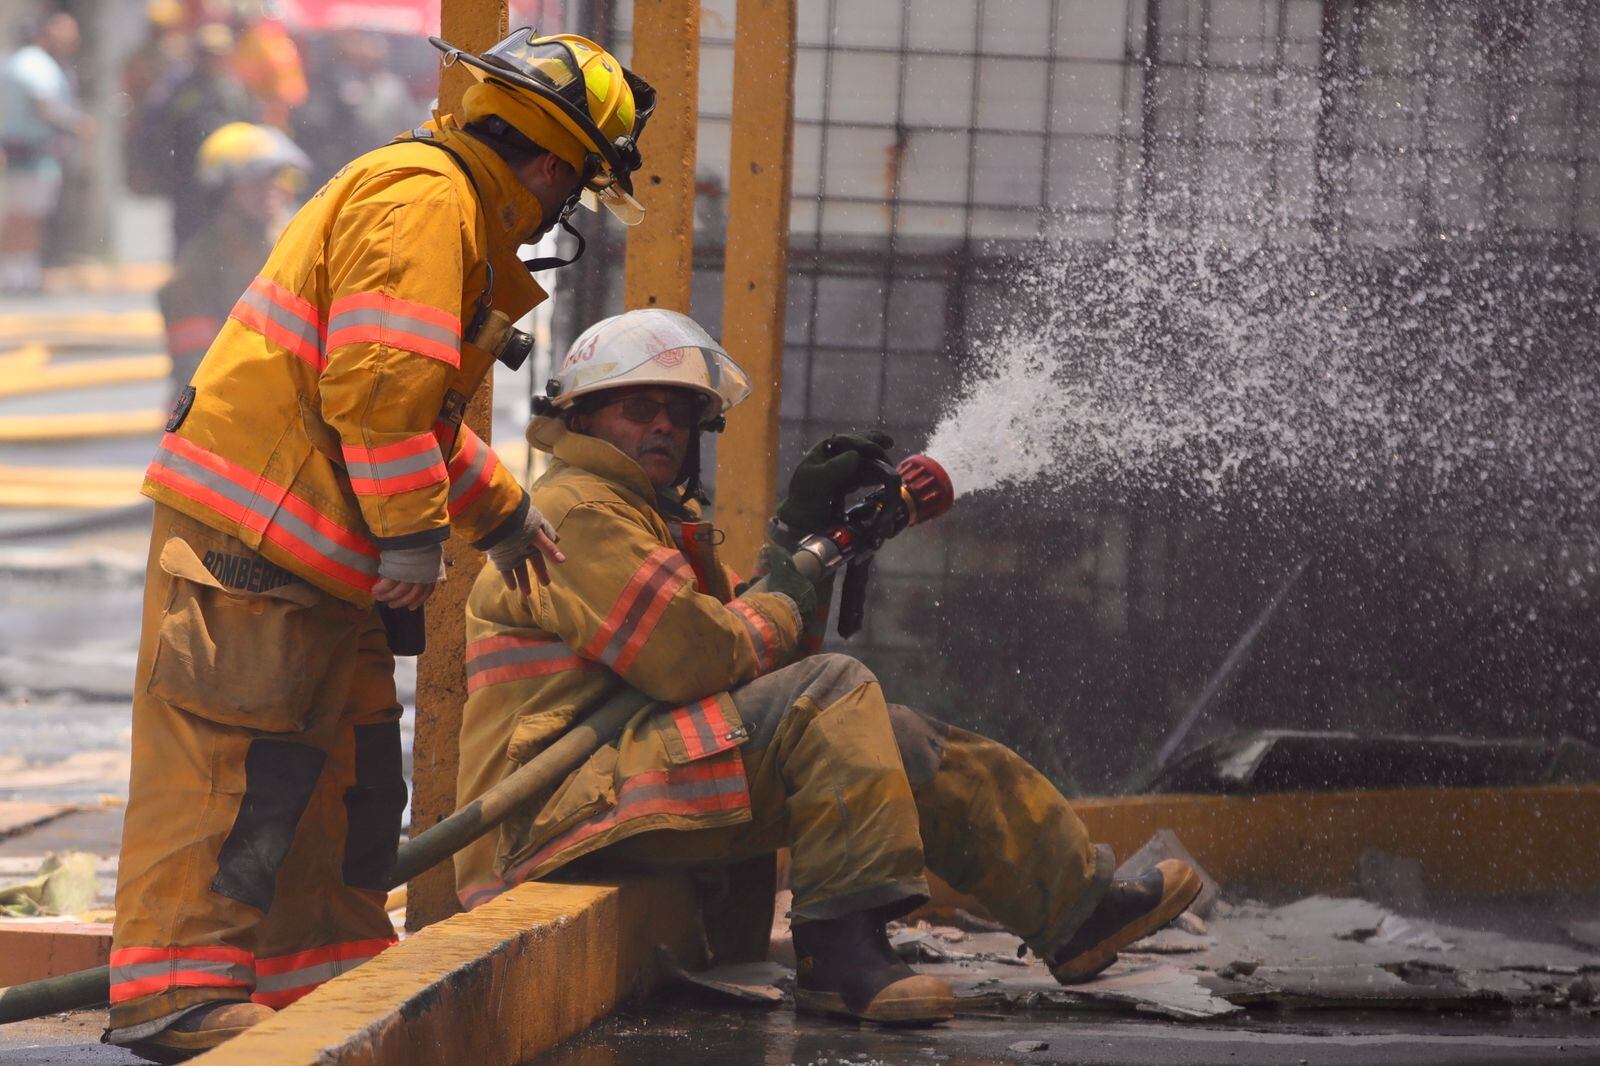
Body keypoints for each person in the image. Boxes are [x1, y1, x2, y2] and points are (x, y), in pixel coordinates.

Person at [107, 30, 654, 1062]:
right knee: (231, 769)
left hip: (306, 556)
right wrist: (412, 542)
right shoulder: (425, 203)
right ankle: (177, 992)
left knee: (341, 777)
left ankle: (319, 982)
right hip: (254, 548)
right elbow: (377, 396)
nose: (561, 211)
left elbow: (414, 407)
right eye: (571, 188)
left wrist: (497, 510)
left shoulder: (442, 204)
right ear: (544, 161)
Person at [453, 310, 1203, 1027]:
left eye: (680, 415)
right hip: (553, 808)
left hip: (621, 777)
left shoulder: (641, 516)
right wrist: (782, 594)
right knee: (835, 692)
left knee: (897, 737)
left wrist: (796, 538)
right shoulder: (579, 510)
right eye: (638, 408)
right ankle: (841, 958)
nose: (663, 427)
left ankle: (1076, 911)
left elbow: (737, 656)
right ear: (581, 418)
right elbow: (700, 658)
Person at [158, 121, 310, 390]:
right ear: (223, 193)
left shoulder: (300, 243)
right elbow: (199, 371)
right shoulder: (199, 268)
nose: (270, 190)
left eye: (274, 177)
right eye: (254, 182)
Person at [0, 10, 89, 293]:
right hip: (28, 154)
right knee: (23, 216)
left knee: (28, 215)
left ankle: (22, 270)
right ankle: (16, 274)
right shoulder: (33, 64)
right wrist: (77, 123)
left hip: (31, 155)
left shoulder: (26, 64)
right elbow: (44, 104)